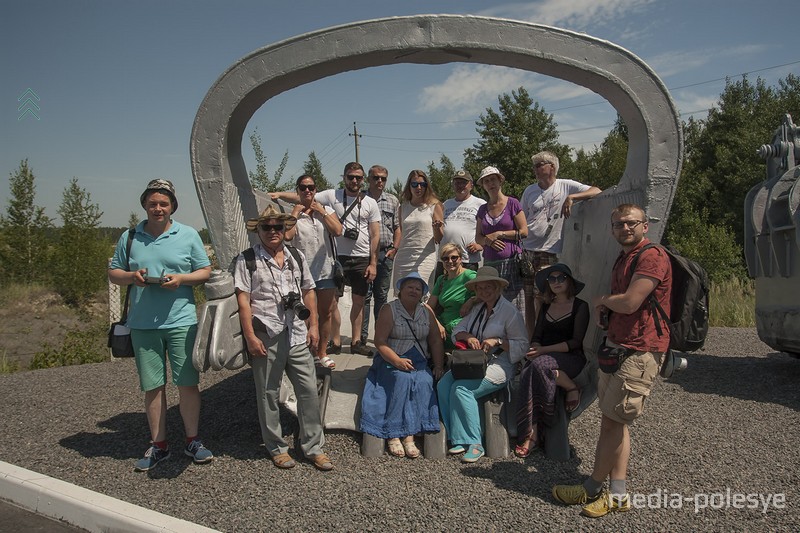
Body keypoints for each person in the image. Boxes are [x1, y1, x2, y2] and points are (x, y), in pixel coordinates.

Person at [552, 203, 671, 517]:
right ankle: (616, 493)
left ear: (645, 225)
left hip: (639, 350)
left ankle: (594, 487)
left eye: (631, 223)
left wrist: (602, 300)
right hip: (619, 346)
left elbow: (631, 302)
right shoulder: (625, 257)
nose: (625, 229)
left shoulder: (652, 256)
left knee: (613, 424)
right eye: (618, 224)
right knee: (615, 425)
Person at [108, 179, 213, 472]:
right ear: (144, 205)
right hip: (142, 324)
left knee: (188, 383)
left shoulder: (188, 235)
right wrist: (132, 277)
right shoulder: (129, 237)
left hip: (181, 321)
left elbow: (205, 271)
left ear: (172, 207)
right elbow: (114, 272)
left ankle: (193, 440)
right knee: (153, 387)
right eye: (153, 203)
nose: (158, 208)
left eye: (163, 204)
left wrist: (181, 279)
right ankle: (159, 446)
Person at [233, 204, 334, 471]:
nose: (273, 231)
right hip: (267, 333)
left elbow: (308, 292)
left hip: (297, 333)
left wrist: (313, 326)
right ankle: (276, 447)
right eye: (267, 227)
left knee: (309, 390)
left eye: (278, 226)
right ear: (258, 231)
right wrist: (251, 337)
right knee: (268, 392)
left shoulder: (297, 256)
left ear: (285, 229)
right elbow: (243, 302)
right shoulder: (247, 260)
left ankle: (313, 447)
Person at [437, 266, 527, 463]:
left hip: (500, 365)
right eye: (480, 288)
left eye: (489, 287)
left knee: (461, 389)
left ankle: (475, 442)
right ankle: (457, 436)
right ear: (476, 290)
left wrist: (499, 342)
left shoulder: (510, 312)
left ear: (497, 288)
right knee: (443, 385)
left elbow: (522, 345)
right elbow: (457, 330)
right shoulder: (477, 309)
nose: (484, 291)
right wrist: (468, 336)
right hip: (474, 361)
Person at [291, 162, 381, 356]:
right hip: (337, 258)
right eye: (350, 177)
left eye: (358, 177)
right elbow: (305, 197)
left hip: (361, 256)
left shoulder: (370, 202)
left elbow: (375, 235)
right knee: (332, 303)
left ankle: (356, 341)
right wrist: (276, 195)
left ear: (363, 179)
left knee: (359, 301)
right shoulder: (332, 195)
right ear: (344, 178)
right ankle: (336, 341)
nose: (354, 180)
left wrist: (373, 263)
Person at [360, 272, 444, 458]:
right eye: (410, 287)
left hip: (418, 360)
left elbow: (436, 341)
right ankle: (394, 433)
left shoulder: (426, 311)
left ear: (422, 292)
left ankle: (409, 435)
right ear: (401, 290)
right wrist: (396, 361)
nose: (414, 291)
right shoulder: (389, 309)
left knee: (423, 381)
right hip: (391, 358)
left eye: (418, 288)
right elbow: (380, 341)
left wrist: (438, 365)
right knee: (401, 380)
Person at [520, 151, 602, 337]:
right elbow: (522, 217)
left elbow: (596, 191)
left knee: (543, 295)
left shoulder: (565, 185)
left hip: (548, 250)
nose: (536, 169)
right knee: (528, 296)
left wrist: (572, 198)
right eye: (534, 165)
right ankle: (530, 338)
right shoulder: (530, 190)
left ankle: (543, 336)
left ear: (552, 167)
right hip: (527, 249)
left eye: (540, 164)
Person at [514, 263, 589, 458]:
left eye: (560, 278)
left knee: (538, 366)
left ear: (569, 281)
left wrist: (543, 350)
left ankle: (570, 387)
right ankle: (535, 430)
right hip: (544, 357)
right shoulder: (546, 305)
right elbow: (538, 334)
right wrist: (534, 349)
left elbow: (575, 342)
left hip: (570, 357)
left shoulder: (581, 306)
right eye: (552, 279)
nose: (556, 282)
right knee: (529, 371)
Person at [284, 175, 343, 369]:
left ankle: (322, 352)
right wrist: (294, 213)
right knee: (307, 315)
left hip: (325, 270)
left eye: (311, 187)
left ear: (315, 190)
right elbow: (287, 236)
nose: (307, 191)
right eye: (303, 188)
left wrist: (321, 212)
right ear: (298, 190)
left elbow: (338, 231)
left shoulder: (325, 210)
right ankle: (308, 352)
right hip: (302, 273)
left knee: (326, 313)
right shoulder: (293, 214)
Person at [475, 166, 528, 313]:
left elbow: (524, 232)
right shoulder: (482, 209)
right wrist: (488, 241)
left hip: (511, 263)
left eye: (493, 179)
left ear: (500, 181)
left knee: (515, 307)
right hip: (491, 265)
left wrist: (500, 234)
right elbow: (478, 238)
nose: (490, 184)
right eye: (486, 181)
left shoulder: (512, 203)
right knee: (492, 305)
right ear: (483, 186)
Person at [361, 165, 401, 345]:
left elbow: (397, 227)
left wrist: (395, 248)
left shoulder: (392, 200)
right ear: (368, 179)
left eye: (383, 178)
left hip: (385, 254)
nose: (379, 181)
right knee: (363, 296)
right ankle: (360, 338)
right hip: (363, 254)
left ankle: (380, 337)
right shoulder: (360, 198)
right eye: (376, 178)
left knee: (382, 296)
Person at [392, 169, 444, 293]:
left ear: (427, 186)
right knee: (402, 295)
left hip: (425, 258)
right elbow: (401, 233)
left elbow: (439, 238)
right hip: (403, 258)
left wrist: (437, 229)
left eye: (422, 184)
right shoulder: (402, 207)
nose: (418, 187)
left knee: (422, 295)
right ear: (409, 186)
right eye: (414, 184)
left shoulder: (434, 206)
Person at [434, 169, 485, 279]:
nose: (460, 186)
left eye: (463, 183)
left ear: (471, 185)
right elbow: (439, 235)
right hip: (445, 260)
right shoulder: (446, 204)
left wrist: (480, 245)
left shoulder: (480, 204)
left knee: (467, 294)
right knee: (442, 293)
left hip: (467, 260)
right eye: (457, 183)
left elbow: (489, 229)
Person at [428, 243, 477, 351]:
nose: (450, 261)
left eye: (454, 257)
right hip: (443, 325)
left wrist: (471, 300)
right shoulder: (441, 280)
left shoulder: (469, 276)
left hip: (463, 325)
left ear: (461, 259)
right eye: (445, 259)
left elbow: (486, 294)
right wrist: (437, 324)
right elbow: (429, 307)